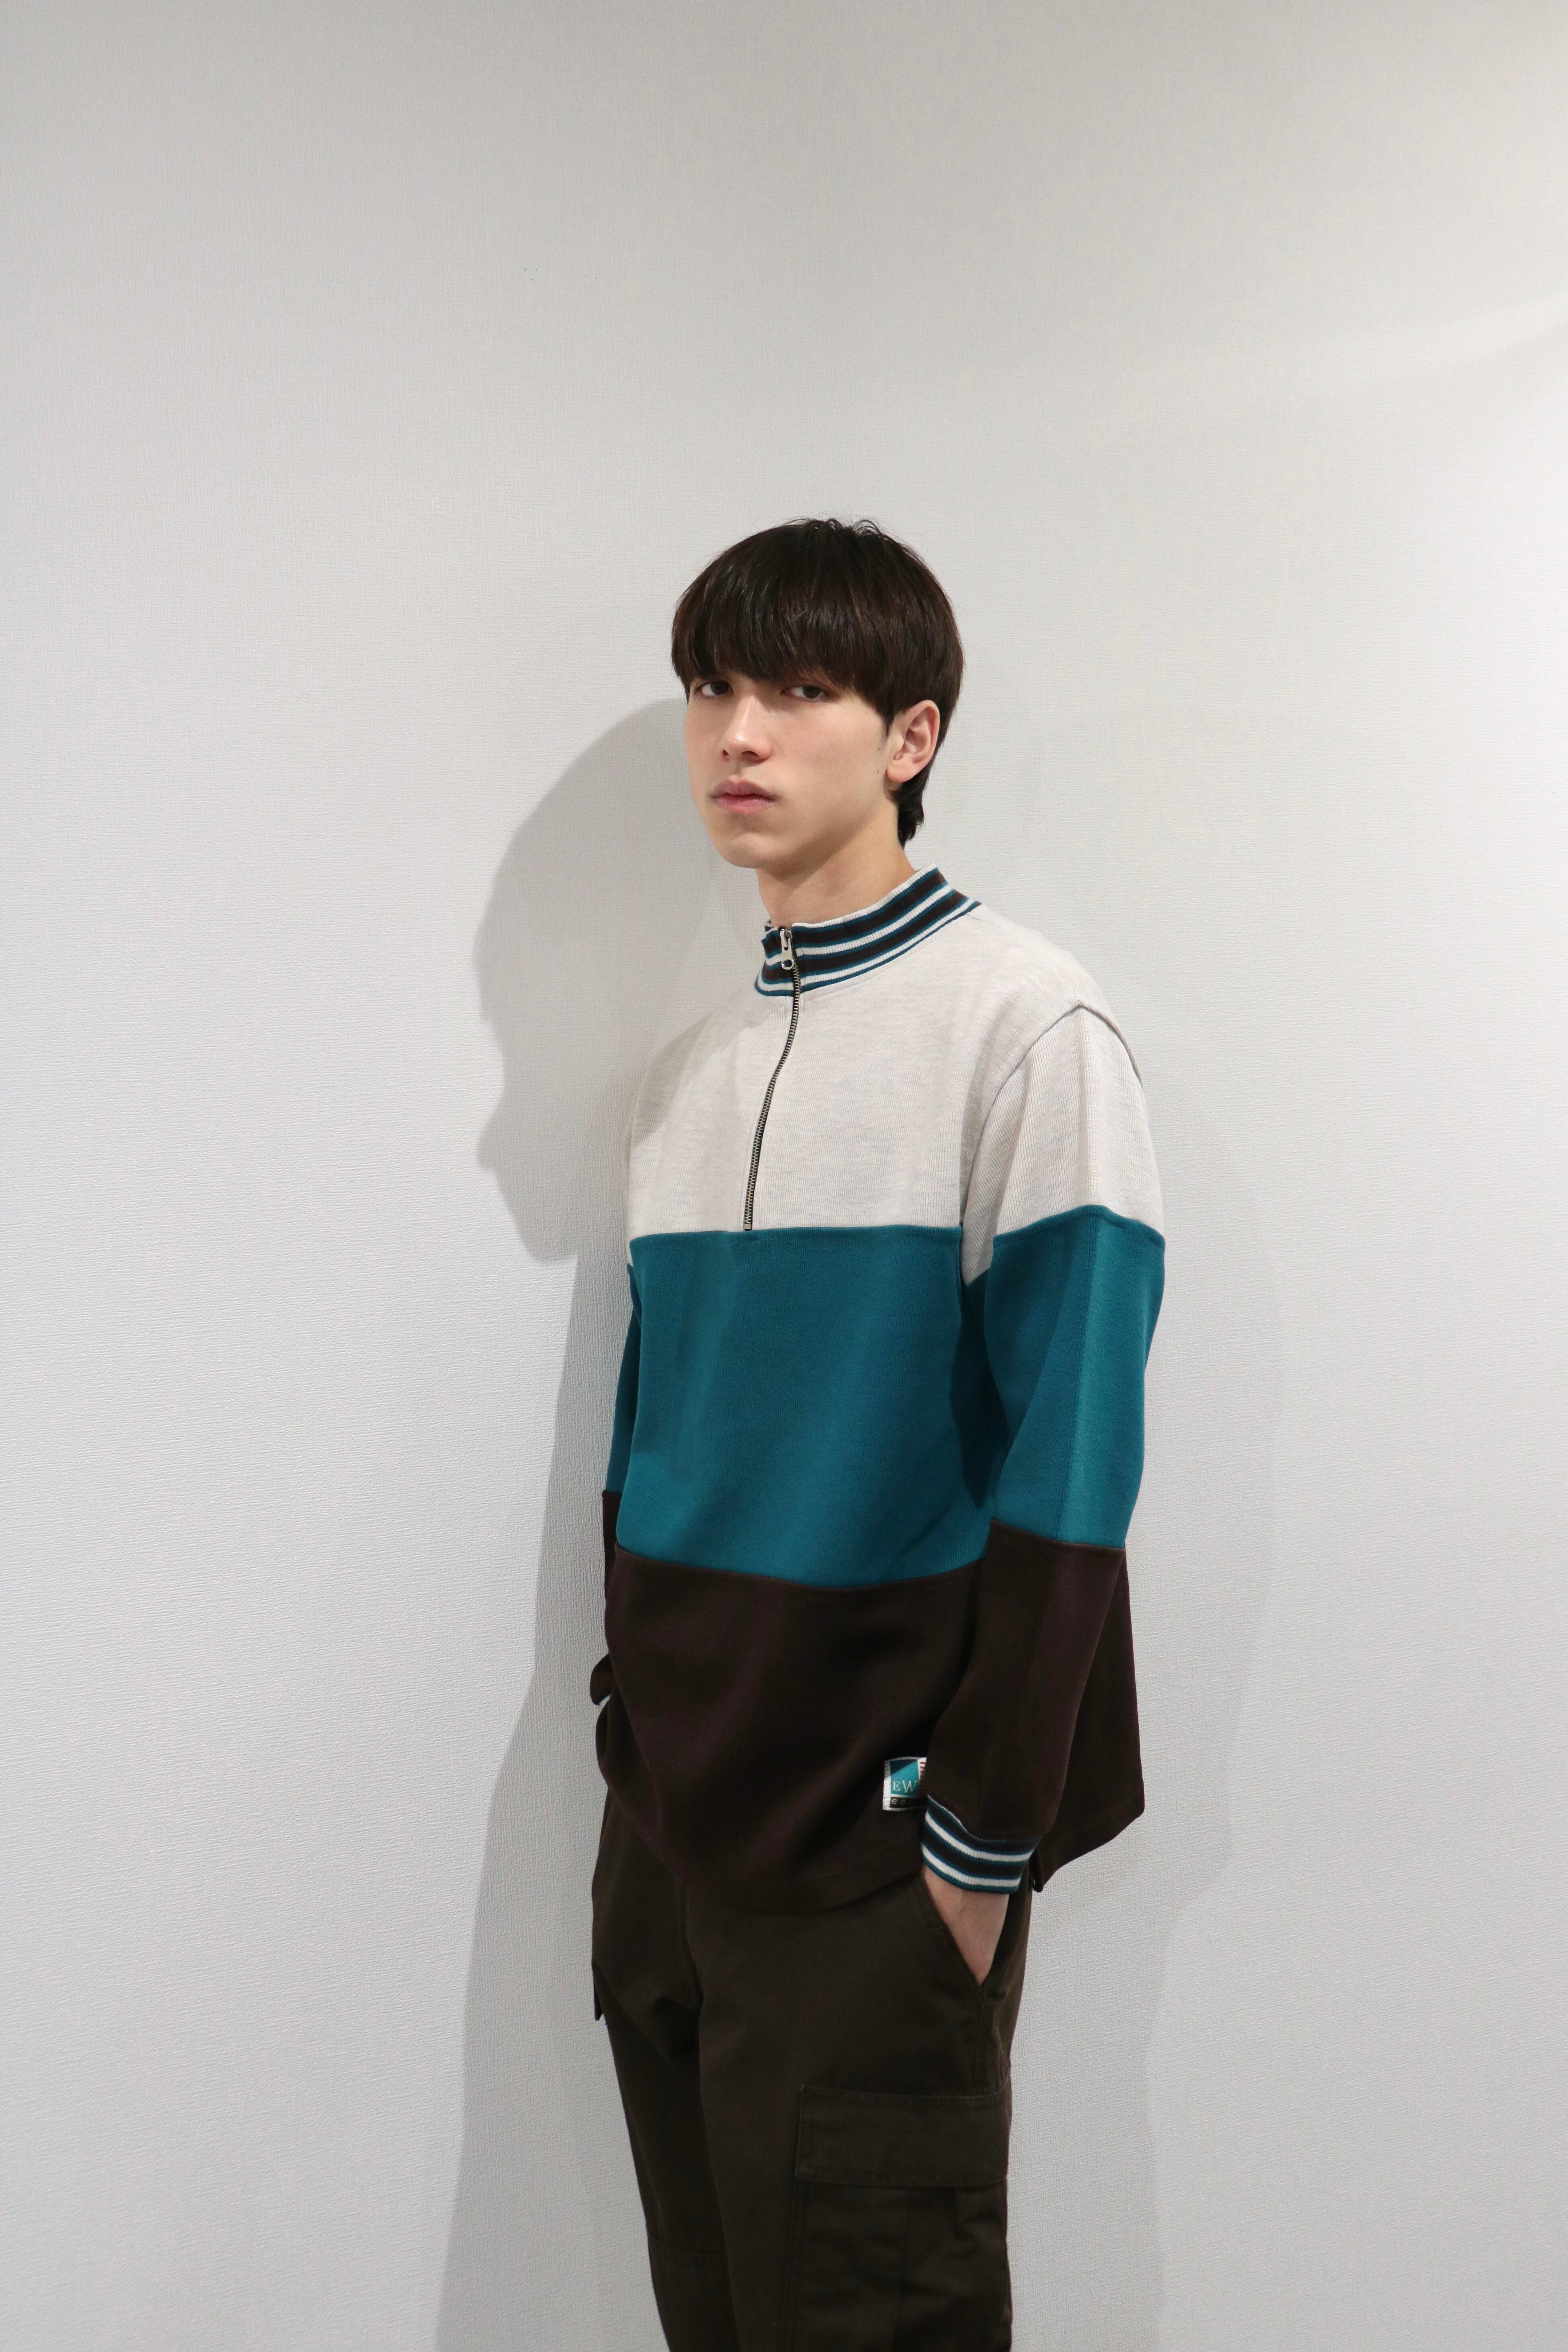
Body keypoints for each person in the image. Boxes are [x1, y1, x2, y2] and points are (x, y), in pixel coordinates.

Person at [587, 516, 1165, 2350]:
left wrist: (976, 1853)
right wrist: (629, 1727)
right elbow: (656, 1438)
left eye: (800, 689)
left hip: (879, 1858)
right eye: (711, 689)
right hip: (674, 1848)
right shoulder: (687, 1077)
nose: (737, 733)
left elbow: (1073, 1473)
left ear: (912, 736)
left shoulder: (1026, 1027)